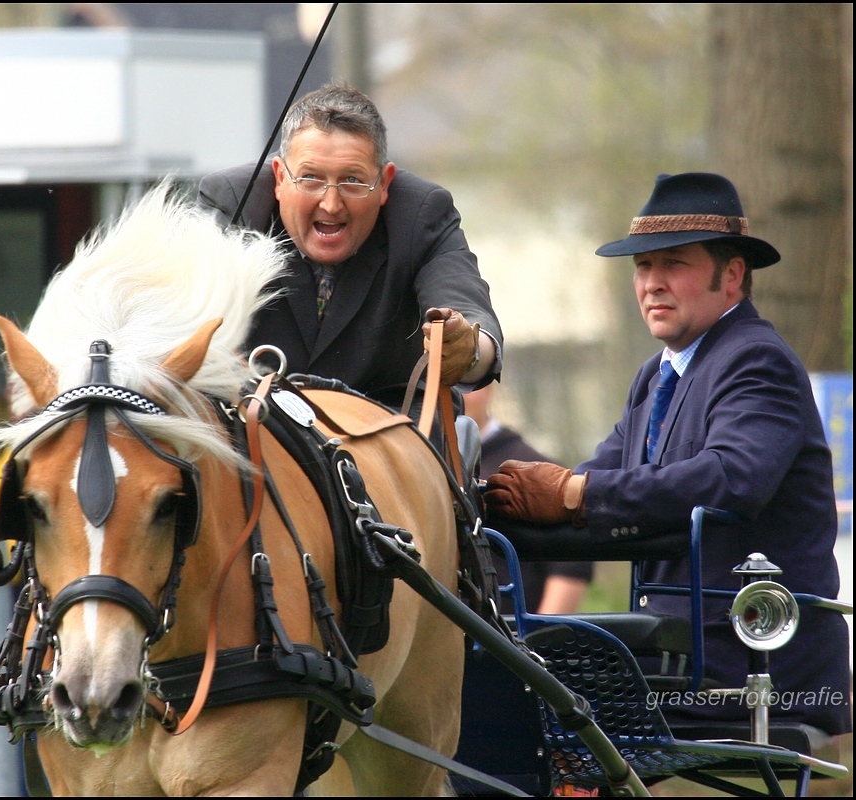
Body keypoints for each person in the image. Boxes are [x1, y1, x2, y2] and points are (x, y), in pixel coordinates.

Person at [484, 172, 851, 737]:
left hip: (755, 667)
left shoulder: (757, 360)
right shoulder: (657, 375)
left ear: (731, 276)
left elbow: (732, 477)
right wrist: (483, 501)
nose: (651, 284)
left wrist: (571, 494)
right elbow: (597, 477)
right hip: (676, 657)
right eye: (642, 267)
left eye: (673, 264)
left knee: (509, 709)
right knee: (495, 679)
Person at [197, 83, 502, 413]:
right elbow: (175, 320)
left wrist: (466, 348)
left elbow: (472, 316)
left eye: (352, 181)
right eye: (311, 178)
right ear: (280, 179)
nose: (331, 204)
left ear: (384, 183)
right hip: (251, 421)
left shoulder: (422, 212)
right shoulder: (231, 201)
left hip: (388, 430)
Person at [463, 384, 592, 614]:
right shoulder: (411, 465)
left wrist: (534, 643)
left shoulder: (537, 472)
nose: (456, 395)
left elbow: (568, 572)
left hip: (510, 639)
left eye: (467, 384)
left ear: (489, 386)